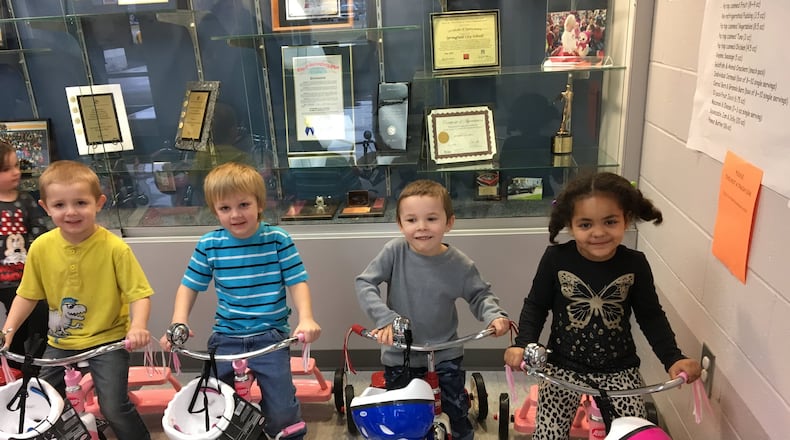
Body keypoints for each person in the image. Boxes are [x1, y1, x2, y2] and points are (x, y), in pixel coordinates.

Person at [503, 172, 702, 439]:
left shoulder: (635, 263)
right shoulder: (556, 259)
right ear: (570, 226)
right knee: (548, 434)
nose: (598, 233)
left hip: (619, 367)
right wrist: (522, 343)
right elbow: (536, 306)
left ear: (626, 219)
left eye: (610, 221)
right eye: (585, 224)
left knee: (634, 432)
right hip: (563, 365)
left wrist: (673, 358)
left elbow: (651, 316)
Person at [159, 162, 321, 440]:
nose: (235, 214)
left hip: (270, 336)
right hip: (226, 337)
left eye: (244, 204)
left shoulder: (277, 239)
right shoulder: (209, 244)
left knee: (282, 410)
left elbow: (296, 281)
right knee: (215, 404)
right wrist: (179, 320)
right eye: (225, 208)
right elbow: (189, 286)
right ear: (215, 211)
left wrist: (306, 318)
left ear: (259, 204)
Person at [1, 160, 154, 440]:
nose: (71, 212)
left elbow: (139, 294)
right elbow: (27, 295)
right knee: (43, 401)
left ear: (99, 203)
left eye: (81, 203)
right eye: (59, 205)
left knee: (113, 406)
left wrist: (138, 326)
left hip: (108, 340)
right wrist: (6, 333)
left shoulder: (114, 249)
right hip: (60, 342)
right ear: (46, 207)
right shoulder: (41, 248)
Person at [355, 179, 510, 440]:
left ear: (449, 222)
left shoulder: (459, 264)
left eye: (431, 218)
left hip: (445, 354)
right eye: (412, 220)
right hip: (400, 355)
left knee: (456, 413)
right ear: (400, 224)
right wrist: (385, 319)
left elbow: (480, 295)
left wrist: (494, 315)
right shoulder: (395, 251)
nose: (422, 227)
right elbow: (365, 283)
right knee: (403, 419)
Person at [0, 140, 49, 366]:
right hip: (3, 278)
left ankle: (29, 368)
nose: (16, 173)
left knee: (33, 325)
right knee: (12, 332)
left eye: (17, 166)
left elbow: (40, 234)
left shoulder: (25, 200)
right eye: (7, 168)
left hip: (23, 279)